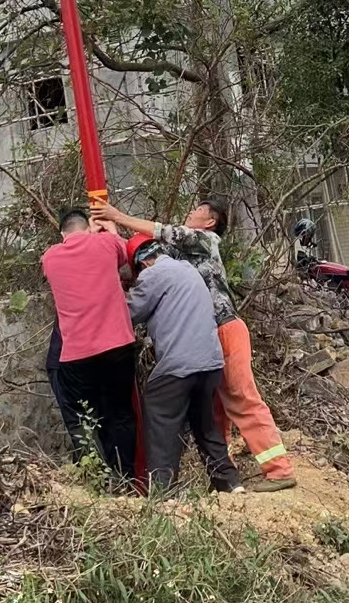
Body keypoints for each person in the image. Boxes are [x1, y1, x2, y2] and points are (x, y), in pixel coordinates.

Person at [91, 197, 296, 491]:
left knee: (241, 398)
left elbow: (162, 233)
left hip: (225, 328)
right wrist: (111, 233)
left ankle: (279, 470)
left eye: (197, 210)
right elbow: (146, 252)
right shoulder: (178, 257)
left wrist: (117, 215)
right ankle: (226, 479)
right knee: (213, 410)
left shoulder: (205, 240)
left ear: (210, 221)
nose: (190, 211)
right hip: (206, 336)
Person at [126, 234, 243, 494]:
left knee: (159, 415)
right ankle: (230, 483)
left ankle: (163, 492)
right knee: (204, 423)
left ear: (142, 263)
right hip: (211, 363)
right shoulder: (188, 269)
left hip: (180, 365)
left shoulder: (152, 274)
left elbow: (130, 312)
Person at [42, 208, 137, 481]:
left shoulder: (50, 257)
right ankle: (126, 479)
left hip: (77, 355)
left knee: (80, 417)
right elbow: (125, 256)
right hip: (118, 346)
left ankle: (95, 476)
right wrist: (107, 232)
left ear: (62, 234)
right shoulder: (106, 243)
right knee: (119, 414)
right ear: (87, 226)